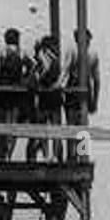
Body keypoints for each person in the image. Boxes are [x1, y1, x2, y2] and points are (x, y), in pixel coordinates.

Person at [0, 28, 31, 161]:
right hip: (16, 93)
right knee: (13, 124)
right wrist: (25, 80)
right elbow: (32, 66)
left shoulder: (2, 51)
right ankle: (9, 153)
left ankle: (1, 155)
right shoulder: (22, 52)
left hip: (2, 92)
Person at [63, 29, 100, 155]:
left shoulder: (75, 51)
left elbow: (65, 71)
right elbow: (96, 80)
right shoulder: (90, 53)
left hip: (75, 86)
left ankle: (74, 154)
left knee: (74, 124)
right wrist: (95, 100)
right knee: (81, 124)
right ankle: (79, 154)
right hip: (82, 87)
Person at [28, 34, 63, 162]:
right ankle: (52, 155)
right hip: (51, 95)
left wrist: (40, 80)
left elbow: (42, 70)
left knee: (45, 128)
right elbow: (47, 70)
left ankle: (47, 155)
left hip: (46, 95)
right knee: (54, 128)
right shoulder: (51, 57)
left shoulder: (48, 57)